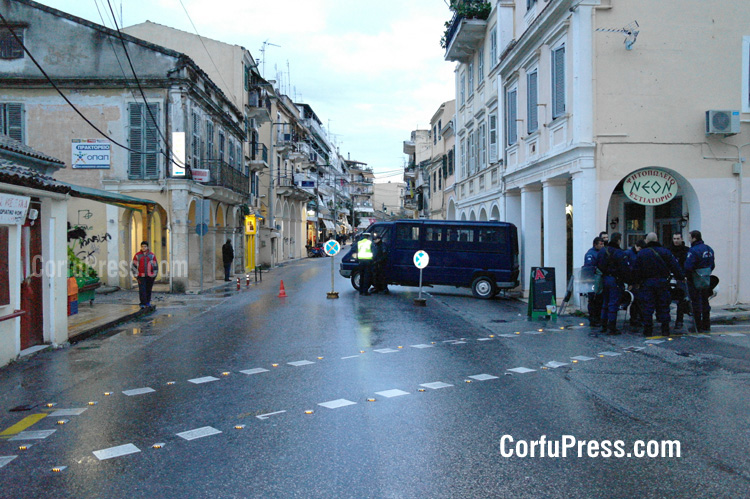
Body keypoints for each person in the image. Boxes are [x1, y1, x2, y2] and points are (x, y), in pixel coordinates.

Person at [633, 232, 684, 337]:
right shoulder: (665, 252)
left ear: (646, 241)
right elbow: (675, 267)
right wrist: (681, 277)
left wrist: (636, 282)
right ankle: (665, 329)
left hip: (647, 283)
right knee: (663, 305)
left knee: (648, 307)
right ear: (656, 240)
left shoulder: (642, 253)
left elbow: (636, 270)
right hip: (662, 282)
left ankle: (648, 329)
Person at [595, 232, 627, 335]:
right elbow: (623, 268)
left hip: (604, 279)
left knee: (605, 302)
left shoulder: (602, 251)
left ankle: (603, 325)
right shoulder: (619, 252)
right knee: (613, 304)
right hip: (614, 280)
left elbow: (598, 264)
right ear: (618, 240)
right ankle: (611, 327)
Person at [684, 230, 715, 332]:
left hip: (695, 280)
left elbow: (688, 267)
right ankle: (707, 324)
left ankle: (698, 326)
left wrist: (688, 276)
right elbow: (712, 265)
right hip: (706, 279)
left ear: (694, 238)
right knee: (705, 302)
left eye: (689, 237)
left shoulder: (693, 251)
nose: (688, 239)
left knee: (696, 303)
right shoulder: (709, 249)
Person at [668, 232, 689, 330]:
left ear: (681, 239)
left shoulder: (686, 251)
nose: (676, 241)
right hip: (669, 277)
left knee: (681, 300)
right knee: (667, 299)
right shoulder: (668, 250)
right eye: (674, 239)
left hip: (681, 278)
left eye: (677, 238)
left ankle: (679, 320)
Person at [583, 236, 605, 328]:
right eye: (601, 244)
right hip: (592, 280)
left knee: (599, 300)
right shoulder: (591, 254)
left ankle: (598, 318)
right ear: (595, 245)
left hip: (599, 280)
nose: (602, 245)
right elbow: (589, 268)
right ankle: (593, 319)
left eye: (603, 244)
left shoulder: (602, 252)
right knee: (593, 300)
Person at [623, 238, 645, 328]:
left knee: (638, 301)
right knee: (634, 301)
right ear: (636, 246)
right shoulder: (629, 254)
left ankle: (637, 318)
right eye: (639, 248)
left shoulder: (636, 254)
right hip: (632, 282)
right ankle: (634, 318)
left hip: (638, 281)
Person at [131, 241, 158, 309]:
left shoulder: (151, 255)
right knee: (142, 289)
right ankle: (142, 303)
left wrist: (154, 274)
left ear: (147, 247)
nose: (144, 248)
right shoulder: (137, 255)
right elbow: (134, 265)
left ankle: (147, 302)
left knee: (148, 289)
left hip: (150, 276)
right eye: (142, 246)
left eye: (145, 246)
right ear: (141, 247)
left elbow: (155, 265)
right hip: (141, 276)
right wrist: (135, 274)